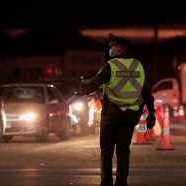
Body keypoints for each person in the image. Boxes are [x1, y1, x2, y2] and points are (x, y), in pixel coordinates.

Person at [65, 33, 156, 186]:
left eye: (112, 47)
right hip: (130, 114)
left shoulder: (111, 66)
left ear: (119, 48)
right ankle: (121, 183)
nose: (110, 50)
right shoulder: (138, 65)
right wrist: (151, 112)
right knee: (123, 150)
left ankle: (106, 182)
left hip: (112, 113)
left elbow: (94, 83)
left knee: (107, 149)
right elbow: (147, 91)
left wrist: (76, 96)